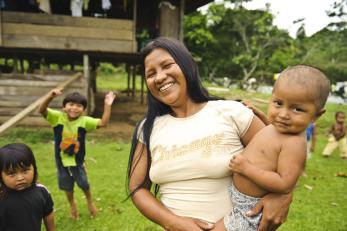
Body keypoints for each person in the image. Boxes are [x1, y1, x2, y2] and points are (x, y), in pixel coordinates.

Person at [126, 37, 292, 231]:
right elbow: (137, 188)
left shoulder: (231, 112)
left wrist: (282, 196)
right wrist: (173, 223)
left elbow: (285, 157)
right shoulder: (148, 128)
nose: (160, 77)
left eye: (167, 65)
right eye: (151, 74)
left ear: (187, 65)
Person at [213, 65, 330, 231]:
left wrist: (247, 169)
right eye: (278, 103)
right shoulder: (281, 128)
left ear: (317, 115)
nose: (283, 114)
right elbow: (271, 136)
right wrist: (260, 115)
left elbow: (284, 184)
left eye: (297, 109)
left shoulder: (295, 143)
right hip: (238, 200)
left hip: (251, 211)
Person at [38, 88, 116, 219]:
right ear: (64, 107)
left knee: (84, 183)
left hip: (78, 161)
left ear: (83, 109)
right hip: (61, 161)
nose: (74, 108)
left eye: (79, 105)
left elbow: (103, 123)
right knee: (67, 186)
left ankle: (90, 202)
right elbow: (41, 110)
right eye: (71, 104)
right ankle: (72, 206)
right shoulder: (57, 118)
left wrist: (107, 105)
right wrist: (50, 96)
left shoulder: (84, 121)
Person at [0, 143, 55, 231]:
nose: (20, 178)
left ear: (34, 168)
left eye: (25, 171)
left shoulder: (41, 191)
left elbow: (48, 214)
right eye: (11, 173)